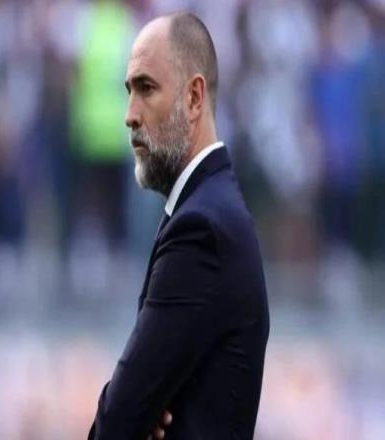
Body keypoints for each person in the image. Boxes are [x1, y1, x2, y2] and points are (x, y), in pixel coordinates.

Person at [88, 12, 269, 440]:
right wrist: (142, 405)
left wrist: (137, 408)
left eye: (146, 89)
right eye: (129, 91)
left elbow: (118, 420)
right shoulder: (205, 209)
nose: (130, 115)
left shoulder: (201, 230)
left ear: (193, 97)